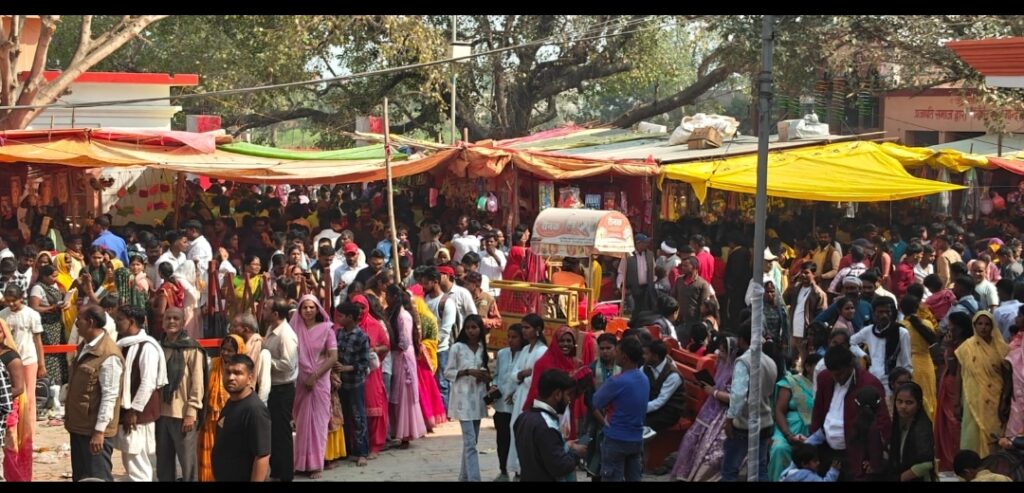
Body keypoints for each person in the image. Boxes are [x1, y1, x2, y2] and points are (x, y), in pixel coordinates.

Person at [807, 345, 890, 481]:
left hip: (856, 454)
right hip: (827, 451)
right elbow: (818, 412)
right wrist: (812, 446)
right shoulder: (824, 378)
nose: (836, 379)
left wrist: (875, 460)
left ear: (851, 365)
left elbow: (882, 422)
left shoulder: (869, 383)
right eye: (833, 374)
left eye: (840, 374)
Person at [65, 304, 125, 482]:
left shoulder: (109, 355)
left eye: (79, 320)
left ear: (90, 322)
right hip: (79, 426)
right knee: (82, 477)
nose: (76, 323)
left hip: (94, 431)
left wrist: (99, 432)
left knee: (98, 477)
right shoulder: (85, 346)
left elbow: (110, 396)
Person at [671, 336, 737, 482]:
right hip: (711, 408)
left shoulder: (736, 371)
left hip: (723, 414)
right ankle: (686, 472)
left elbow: (734, 398)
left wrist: (714, 392)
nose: (719, 353)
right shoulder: (722, 366)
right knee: (693, 437)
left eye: (723, 351)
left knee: (709, 446)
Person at [113, 305, 167, 482]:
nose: (116, 323)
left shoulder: (147, 347)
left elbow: (148, 382)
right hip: (130, 410)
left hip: (139, 412)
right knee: (134, 456)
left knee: (137, 458)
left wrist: (134, 411)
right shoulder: (124, 344)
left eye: (120, 319)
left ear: (131, 322)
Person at [721, 322, 778, 482]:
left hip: (745, 424)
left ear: (741, 339)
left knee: (730, 469)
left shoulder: (744, 362)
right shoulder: (770, 362)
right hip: (765, 422)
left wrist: (729, 419)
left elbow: (738, 396)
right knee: (760, 469)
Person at [292, 295, 339, 477]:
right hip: (300, 381)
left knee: (318, 423)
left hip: (319, 382)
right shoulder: (294, 330)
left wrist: (315, 376)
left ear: (318, 309)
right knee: (301, 423)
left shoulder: (327, 329)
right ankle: (301, 463)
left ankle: (316, 465)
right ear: (299, 310)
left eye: (312, 307)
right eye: (304, 307)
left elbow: (333, 357)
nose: (308, 310)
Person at [157, 307, 205, 482]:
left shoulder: (191, 348)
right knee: (163, 461)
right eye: (168, 318)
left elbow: (198, 383)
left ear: (183, 322)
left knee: (187, 463)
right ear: (162, 322)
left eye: (176, 318)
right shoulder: (159, 346)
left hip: (183, 414)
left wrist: (191, 412)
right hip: (161, 413)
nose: (171, 321)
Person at [513, 369, 587, 482]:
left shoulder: (523, 417)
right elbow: (560, 466)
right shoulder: (547, 425)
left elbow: (541, 451)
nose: (569, 400)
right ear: (557, 394)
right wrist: (577, 454)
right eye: (568, 395)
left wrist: (565, 446)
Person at [592, 337, 648, 482]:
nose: (614, 354)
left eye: (617, 351)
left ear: (624, 357)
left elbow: (596, 402)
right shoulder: (644, 378)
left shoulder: (617, 381)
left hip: (616, 438)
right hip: (636, 438)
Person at [444, 314, 491, 481]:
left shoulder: (482, 348)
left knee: (471, 442)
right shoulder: (457, 348)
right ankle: (474, 478)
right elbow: (448, 372)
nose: (471, 331)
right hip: (462, 400)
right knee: (470, 442)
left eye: (474, 327)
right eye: (468, 327)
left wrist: (484, 376)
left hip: (478, 399)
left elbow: (486, 371)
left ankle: (464, 476)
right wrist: (467, 372)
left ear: (480, 329)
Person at [955, 310, 1008, 458]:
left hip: (994, 397)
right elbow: (959, 375)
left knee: (993, 432)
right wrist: (956, 403)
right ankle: (971, 465)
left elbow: (1007, 376)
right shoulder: (966, 347)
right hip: (972, 398)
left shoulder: (1001, 348)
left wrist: (1005, 400)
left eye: (987, 324)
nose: (983, 327)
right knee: (971, 432)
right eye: (980, 324)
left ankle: (991, 465)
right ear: (974, 325)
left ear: (992, 326)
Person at [211, 354, 272, 482]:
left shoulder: (254, 410)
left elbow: (262, 456)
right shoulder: (231, 402)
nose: (231, 377)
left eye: (238, 373)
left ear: (250, 378)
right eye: (228, 372)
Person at [198, 334, 246, 482]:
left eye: (230, 350)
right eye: (223, 349)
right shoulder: (213, 364)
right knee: (209, 452)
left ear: (239, 351)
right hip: (210, 417)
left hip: (232, 418)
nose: (225, 353)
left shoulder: (243, 370)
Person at [506, 314, 549, 479]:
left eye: (527, 327)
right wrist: (523, 374)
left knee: (527, 432)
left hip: (532, 396)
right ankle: (517, 466)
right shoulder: (525, 350)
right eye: (522, 327)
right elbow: (514, 374)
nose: (523, 331)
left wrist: (524, 375)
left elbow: (538, 377)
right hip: (521, 394)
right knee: (515, 428)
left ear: (537, 330)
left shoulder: (542, 351)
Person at [385, 285, 426, 449]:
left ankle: (406, 434)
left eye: (387, 295)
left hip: (403, 358)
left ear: (394, 297)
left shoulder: (403, 316)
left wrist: (389, 345)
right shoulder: (395, 314)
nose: (386, 298)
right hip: (397, 357)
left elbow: (404, 342)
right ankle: (398, 432)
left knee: (404, 395)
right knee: (397, 394)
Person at [349, 294, 390, 458]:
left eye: (362, 308)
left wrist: (375, 350)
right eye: (356, 308)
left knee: (374, 408)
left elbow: (386, 346)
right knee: (355, 410)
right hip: (352, 373)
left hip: (371, 373)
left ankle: (375, 445)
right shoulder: (346, 326)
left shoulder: (375, 325)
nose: (359, 311)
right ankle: (358, 446)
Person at [262, 297, 298, 482]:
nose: (263, 311)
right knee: (273, 432)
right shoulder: (271, 329)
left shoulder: (286, 335)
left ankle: (285, 475)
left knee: (282, 433)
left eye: (266, 308)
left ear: (276, 314)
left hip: (282, 389)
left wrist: (267, 362)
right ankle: (276, 471)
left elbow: (288, 364)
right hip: (273, 388)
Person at [768, 354, 821, 481]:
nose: (822, 370)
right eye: (819, 366)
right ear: (808, 367)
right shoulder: (792, 382)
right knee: (780, 449)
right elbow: (779, 410)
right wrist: (788, 435)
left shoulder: (824, 386)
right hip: (786, 430)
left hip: (811, 433)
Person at [935, 311, 973, 473]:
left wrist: (949, 347)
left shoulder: (964, 346)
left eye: (952, 326)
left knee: (953, 426)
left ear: (960, 329)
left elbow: (953, 369)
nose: (949, 329)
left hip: (956, 388)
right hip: (947, 385)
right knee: (945, 425)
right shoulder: (956, 342)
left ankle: (954, 462)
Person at [850, 297, 912, 397]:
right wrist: (863, 355)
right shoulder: (869, 331)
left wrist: (905, 386)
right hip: (872, 379)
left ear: (891, 313)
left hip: (892, 382)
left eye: (887, 312)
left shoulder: (901, 332)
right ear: (874, 313)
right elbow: (850, 343)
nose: (884, 315)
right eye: (880, 312)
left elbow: (907, 363)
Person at [335, 301, 370, 468]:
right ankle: (347, 450)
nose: (338, 319)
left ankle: (362, 452)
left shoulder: (362, 336)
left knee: (358, 417)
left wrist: (346, 368)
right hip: (340, 383)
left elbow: (364, 363)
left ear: (350, 317)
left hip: (355, 383)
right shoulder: (338, 334)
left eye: (341, 316)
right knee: (343, 416)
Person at [492, 324, 523, 482]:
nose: (510, 340)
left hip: (517, 405)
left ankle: (518, 471)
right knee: (502, 439)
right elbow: (497, 375)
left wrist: (516, 393)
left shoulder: (525, 355)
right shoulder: (502, 354)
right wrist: (493, 386)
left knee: (516, 439)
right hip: (500, 404)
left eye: (514, 337)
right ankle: (503, 470)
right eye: (509, 337)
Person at [899, 295, 937, 420]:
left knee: (909, 398)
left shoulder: (900, 326)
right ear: (917, 308)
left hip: (907, 365)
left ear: (901, 309)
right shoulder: (927, 324)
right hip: (926, 365)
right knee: (928, 397)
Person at [784, 261, 828, 365]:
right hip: (793, 332)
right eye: (802, 273)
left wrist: (813, 336)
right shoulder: (796, 289)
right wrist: (791, 284)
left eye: (806, 273)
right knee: (791, 362)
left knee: (805, 363)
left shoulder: (819, 294)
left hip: (806, 334)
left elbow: (821, 316)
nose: (803, 275)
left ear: (813, 274)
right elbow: (784, 300)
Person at [890, 382, 935, 481]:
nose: (903, 406)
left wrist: (901, 478)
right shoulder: (899, 424)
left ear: (918, 404)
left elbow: (927, 464)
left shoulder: (922, 427)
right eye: (899, 401)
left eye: (909, 402)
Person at [643, 339, 685, 432]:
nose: (643, 356)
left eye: (646, 354)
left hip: (668, 412)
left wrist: (639, 408)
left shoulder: (673, 375)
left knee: (638, 422)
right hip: (652, 406)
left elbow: (660, 401)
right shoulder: (647, 367)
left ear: (655, 357)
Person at [230, 313, 272, 404]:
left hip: (252, 403)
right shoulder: (237, 347)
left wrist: (258, 406)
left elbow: (264, 387)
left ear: (246, 329)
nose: (231, 329)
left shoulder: (262, 352)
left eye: (234, 326)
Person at [619, 233, 656, 314]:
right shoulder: (628, 255)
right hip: (633, 289)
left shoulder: (650, 254)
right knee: (634, 311)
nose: (647, 244)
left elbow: (653, 270)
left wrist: (653, 283)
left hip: (647, 289)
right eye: (645, 242)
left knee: (646, 311)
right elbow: (621, 272)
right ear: (638, 243)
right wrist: (621, 286)